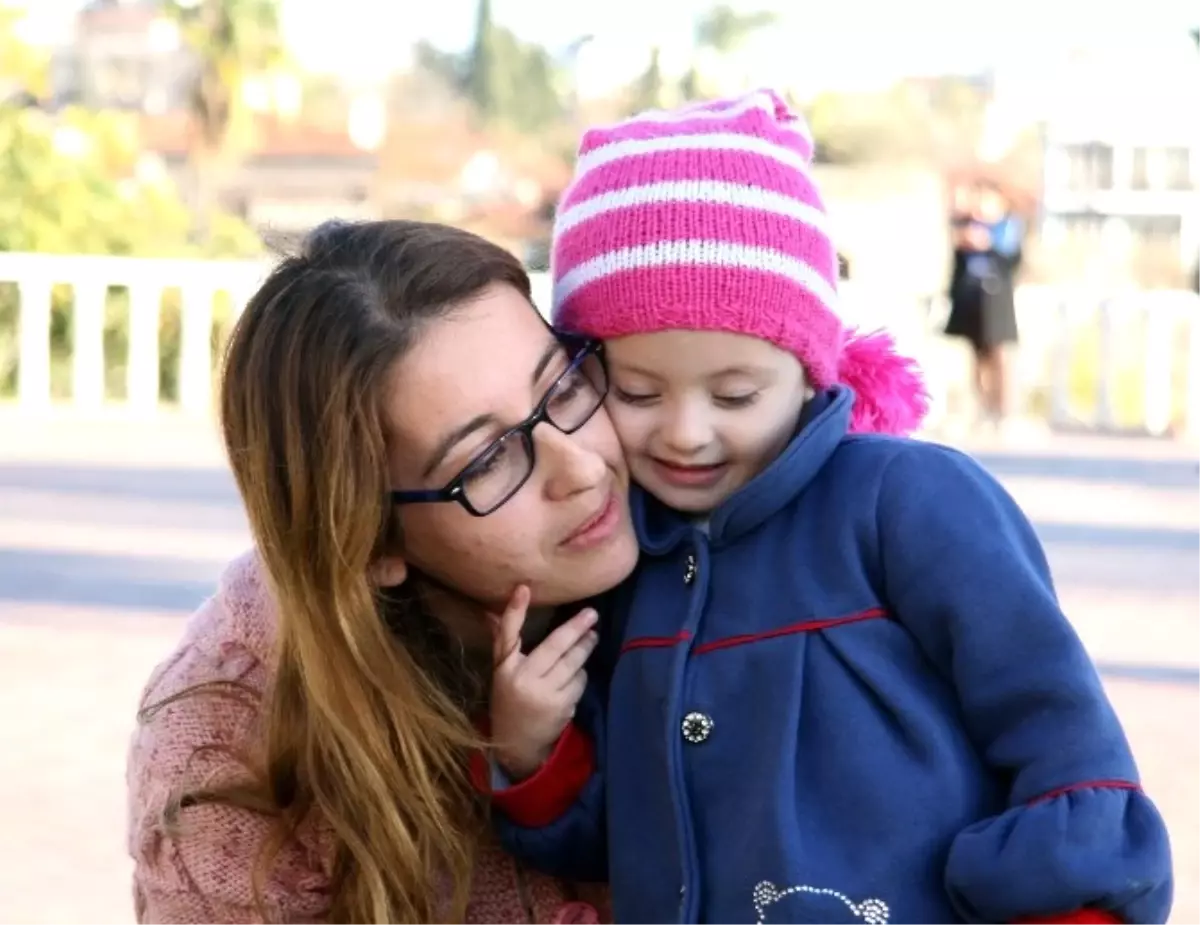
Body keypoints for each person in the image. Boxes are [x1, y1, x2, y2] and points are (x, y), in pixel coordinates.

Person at [481, 91, 1173, 925]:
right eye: (636, 390)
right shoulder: (628, 561)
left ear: (812, 370)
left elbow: (1059, 731)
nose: (687, 433)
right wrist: (532, 747)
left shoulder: (907, 503)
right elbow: (620, 839)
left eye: (735, 393)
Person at [125, 220, 642, 925]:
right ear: (369, 543)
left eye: (564, 388)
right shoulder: (229, 742)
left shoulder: (718, 545)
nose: (584, 469)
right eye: (488, 460)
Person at [944, 180, 1025, 429]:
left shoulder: (1008, 227)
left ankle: (1003, 411)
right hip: (972, 299)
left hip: (997, 301)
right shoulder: (966, 225)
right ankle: (981, 409)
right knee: (976, 357)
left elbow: (1013, 261)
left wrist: (986, 244)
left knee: (1000, 356)